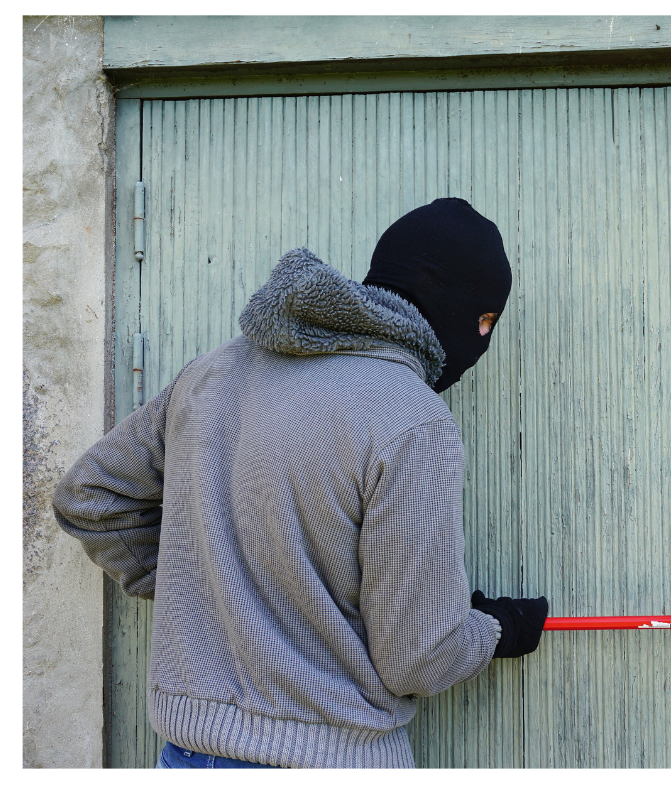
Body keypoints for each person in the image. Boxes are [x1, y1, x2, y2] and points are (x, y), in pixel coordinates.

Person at [52, 197, 548, 769]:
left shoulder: (215, 372)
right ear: (446, 301)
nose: (481, 339)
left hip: (187, 758)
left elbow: (91, 496)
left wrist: (210, 585)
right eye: (484, 320)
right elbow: (417, 658)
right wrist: (498, 629)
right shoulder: (412, 419)